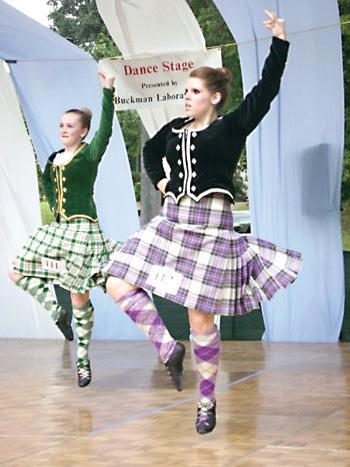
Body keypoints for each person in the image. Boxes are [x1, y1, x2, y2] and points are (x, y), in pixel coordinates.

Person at [104, 11, 302, 434]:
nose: (186, 97)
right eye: (186, 91)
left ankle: (207, 402)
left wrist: (280, 43)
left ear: (213, 97)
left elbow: (266, 91)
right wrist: (161, 180)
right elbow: (150, 154)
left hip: (212, 228)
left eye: (194, 91)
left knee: (201, 321)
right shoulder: (174, 129)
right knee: (117, 281)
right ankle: (166, 347)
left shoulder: (231, 128)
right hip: (173, 222)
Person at [9, 69, 121, 388]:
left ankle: (83, 360)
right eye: (61, 125)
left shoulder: (89, 154)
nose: (63, 129)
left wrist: (108, 89)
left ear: (83, 131)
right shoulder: (55, 158)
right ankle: (55, 310)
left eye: (70, 125)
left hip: (83, 232)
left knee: (80, 298)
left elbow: (107, 131)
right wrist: (53, 203)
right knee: (17, 271)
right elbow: (48, 183)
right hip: (59, 230)